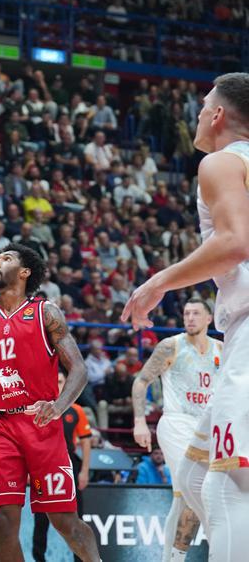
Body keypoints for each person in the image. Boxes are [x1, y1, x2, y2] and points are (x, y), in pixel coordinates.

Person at [123, 73, 249, 560]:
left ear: (217, 115)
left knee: (227, 487)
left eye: (202, 107)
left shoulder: (221, 160)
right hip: (237, 329)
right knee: (196, 477)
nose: (197, 115)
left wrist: (158, 281)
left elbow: (234, 244)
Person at [0, 244, 99, 561]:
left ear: (25, 273)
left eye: (6, 259)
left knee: (65, 521)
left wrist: (59, 406)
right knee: (4, 523)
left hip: (41, 425)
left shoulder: (45, 313)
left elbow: (78, 369)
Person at [131, 299, 221, 562]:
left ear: (209, 319)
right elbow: (141, 381)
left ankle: (172, 558)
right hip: (176, 424)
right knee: (197, 488)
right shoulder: (171, 345)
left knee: (183, 497)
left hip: (208, 427)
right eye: (186, 313)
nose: (190, 318)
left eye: (196, 313)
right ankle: (220, 546)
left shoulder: (221, 350)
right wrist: (139, 421)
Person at [32, 371, 94, 562]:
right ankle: (39, 558)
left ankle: (80, 559)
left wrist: (84, 471)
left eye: (60, 381)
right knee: (41, 518)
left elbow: (85, 442)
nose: (56, 384)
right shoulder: (38, 408)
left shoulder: (76, 410)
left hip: (69, 466)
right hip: (42, 466)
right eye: (54, 380)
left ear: (66, 383)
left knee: (76, 516)